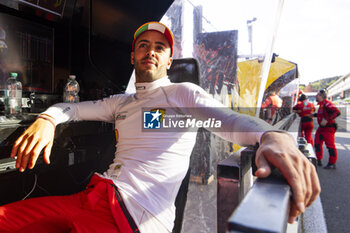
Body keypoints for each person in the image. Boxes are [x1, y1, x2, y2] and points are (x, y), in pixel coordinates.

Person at [0, 22, 320, 233]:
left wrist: (271, 135)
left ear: (169, 60)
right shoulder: (121, 103)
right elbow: (72, 108)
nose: (150, 50)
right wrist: (48, 119)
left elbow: (228, 121)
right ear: (133, 56)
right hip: (92, 197)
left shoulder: (182, 94)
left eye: (159, 47)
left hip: (134, 216)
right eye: (143, 45)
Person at [314, 89, 341, 169]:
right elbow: (321, 114)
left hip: (328, 129)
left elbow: (337, 112)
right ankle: (318, 160)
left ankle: (332, 163)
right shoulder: (322, 105)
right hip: (321, 128)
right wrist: (313, 115)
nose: (316, 96)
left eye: (317, 95)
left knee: (330, 146)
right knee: (317, 144)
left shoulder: (327, 103)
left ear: (321, 96)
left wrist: (326, 119)